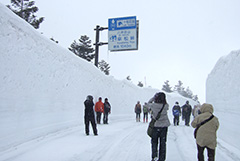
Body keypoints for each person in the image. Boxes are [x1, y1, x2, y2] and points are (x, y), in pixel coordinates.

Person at [148, 92, 170, 161]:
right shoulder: (166, 105)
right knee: (163, 143)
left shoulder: (153, 105)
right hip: (164, 126)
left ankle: (154, 157)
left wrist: (153, 98)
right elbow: (167, 105)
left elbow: (148, 103)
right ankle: (162, 158)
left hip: (155, 126)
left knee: (154, 142)